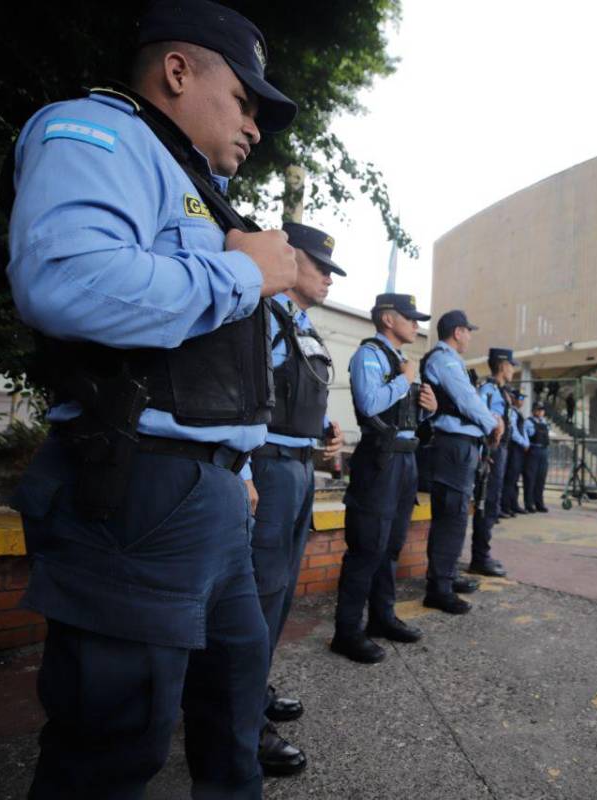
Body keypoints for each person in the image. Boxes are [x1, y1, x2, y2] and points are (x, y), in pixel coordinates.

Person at [4, 1, 299, 795]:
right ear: (177, 70)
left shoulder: (192, 181)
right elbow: (70, 283)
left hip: (206, 494)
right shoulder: (97, 133)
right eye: (244, 100)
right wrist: (247, 273)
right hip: (136, 492)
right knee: (113, 745)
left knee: (236, 702)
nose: (254, 127)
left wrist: (231, 462)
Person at [251, 222, 347, 776]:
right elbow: (245, 390)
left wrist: (326, 428)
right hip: (267, 466)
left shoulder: (301, 322)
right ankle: (241, 722)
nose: (329, 277)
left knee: (280, 593)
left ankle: (250, 690)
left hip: (298, 468)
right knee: (259, 595)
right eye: (321, 265)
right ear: (290, 260)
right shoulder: (261, 313)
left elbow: (297, 386)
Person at [332, 293, 436, 663]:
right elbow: (370, 404)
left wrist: (428, 410)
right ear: (389, 319)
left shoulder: (399, 361)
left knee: (391, 546)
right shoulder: (369, 356)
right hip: (379, 461)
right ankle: (347, 632)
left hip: (405, 460)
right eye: (410, 318)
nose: (416, 326)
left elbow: (405, 419)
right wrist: (405, 381)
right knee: (367, 548)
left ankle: (382, 617)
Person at [419, 312, 505, 613]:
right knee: (451, 516)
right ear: (458, 332)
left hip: (460, 445)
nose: (470, 337)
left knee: (454, 516)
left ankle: (445, 576)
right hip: (452, 445)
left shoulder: (450, 360)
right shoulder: (444, 360)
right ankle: (439, 588)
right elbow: (467, 399)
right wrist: (492, 423)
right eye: (468, 331)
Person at [469, 348, 517, 573]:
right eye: (511, 365)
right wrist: (486, 452)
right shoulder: (488, 389)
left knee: (492, 503)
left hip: (501, 450)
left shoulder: (501, 391)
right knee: (486, 503)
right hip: (492, 451)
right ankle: (479, 558)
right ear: (502, 365)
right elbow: (482, 419)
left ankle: (483, 553)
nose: (513, 369)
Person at [502, 388, 530, 516]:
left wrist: (526, 443)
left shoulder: (518, 412)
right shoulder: (511, 412)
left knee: (514, 479)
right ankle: (506, 506)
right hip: (514, 447)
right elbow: (513, 431)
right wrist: (524, 443)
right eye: (520, 398)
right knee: (510, 478)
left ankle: (513, 505)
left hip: (519, 448)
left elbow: (522, 430)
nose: (522, 401)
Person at [523, 401, 552, 512]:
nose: (540, 412)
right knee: (530, 478)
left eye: (542, 410)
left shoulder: (545, 422)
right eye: (538, 410)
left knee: (541, 478)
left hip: (543, 451)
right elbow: (526, 435)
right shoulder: (528, 422)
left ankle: (539, 503)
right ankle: (529, 504)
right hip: (533, 450)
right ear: (534, 410)